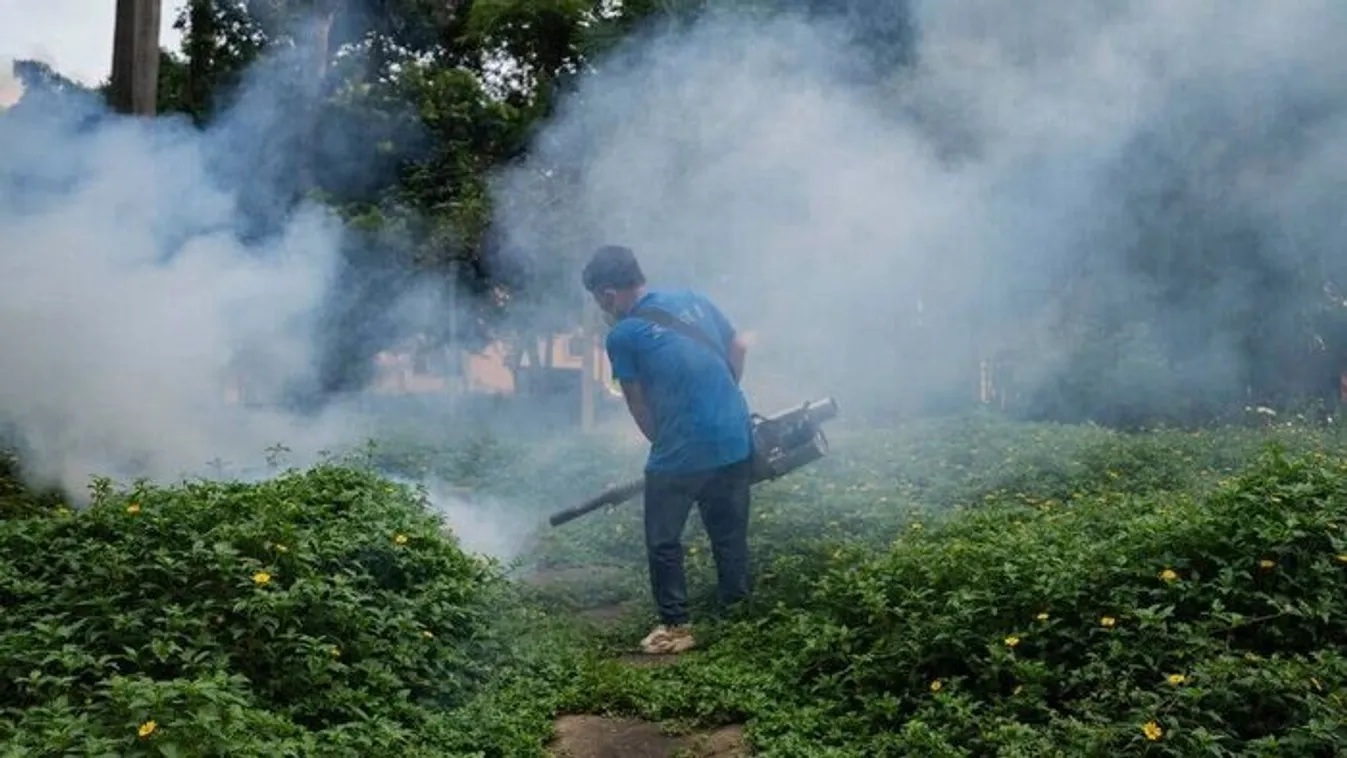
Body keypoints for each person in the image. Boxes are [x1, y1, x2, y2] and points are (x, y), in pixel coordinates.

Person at [581, 244, 754, 655]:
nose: (600, 307)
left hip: (682, 449)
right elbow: (740, 345)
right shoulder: (692, 298)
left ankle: (676, 626)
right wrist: (726, 395)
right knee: (729, 534)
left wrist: (662, 442)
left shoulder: (623, 335)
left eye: (597, 300)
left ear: (607, 294)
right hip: (735, 435)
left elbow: (636, 400)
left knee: (663, 540)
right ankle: (739, 614)